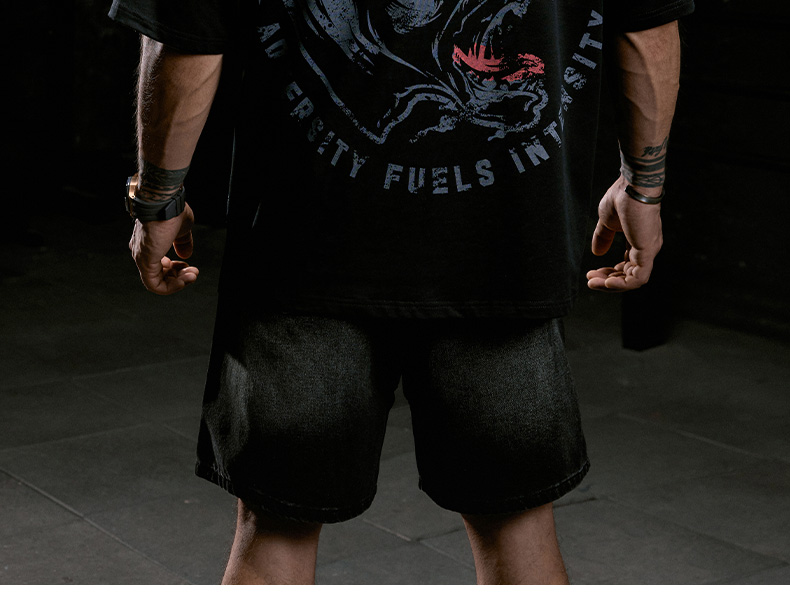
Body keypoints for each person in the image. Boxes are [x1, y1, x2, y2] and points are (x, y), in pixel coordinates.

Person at [111, 0, 694, 584]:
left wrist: (158, 198)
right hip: (500, 251)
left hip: (307, 246)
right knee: (517, 529)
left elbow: (182, 32)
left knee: (277, 533)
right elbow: (646, 24)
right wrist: (643, 187)